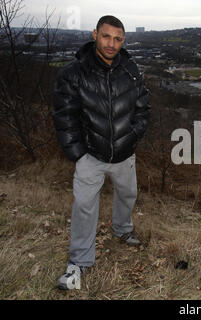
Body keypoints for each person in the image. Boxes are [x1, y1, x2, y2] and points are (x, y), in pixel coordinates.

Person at [51, 15, 150, 290]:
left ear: (124, 41)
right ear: (95, 34)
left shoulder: (131, 70)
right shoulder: (73, 73)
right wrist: (78, 154)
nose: (111, 44)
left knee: (128, 195)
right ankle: (79, 263)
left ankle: (123, 230)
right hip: (90, 157)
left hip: (124, 153)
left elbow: (143, 107)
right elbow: (64, 116)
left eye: (118, 39)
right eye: (106, 36)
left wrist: (133, 135)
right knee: (84, 207)